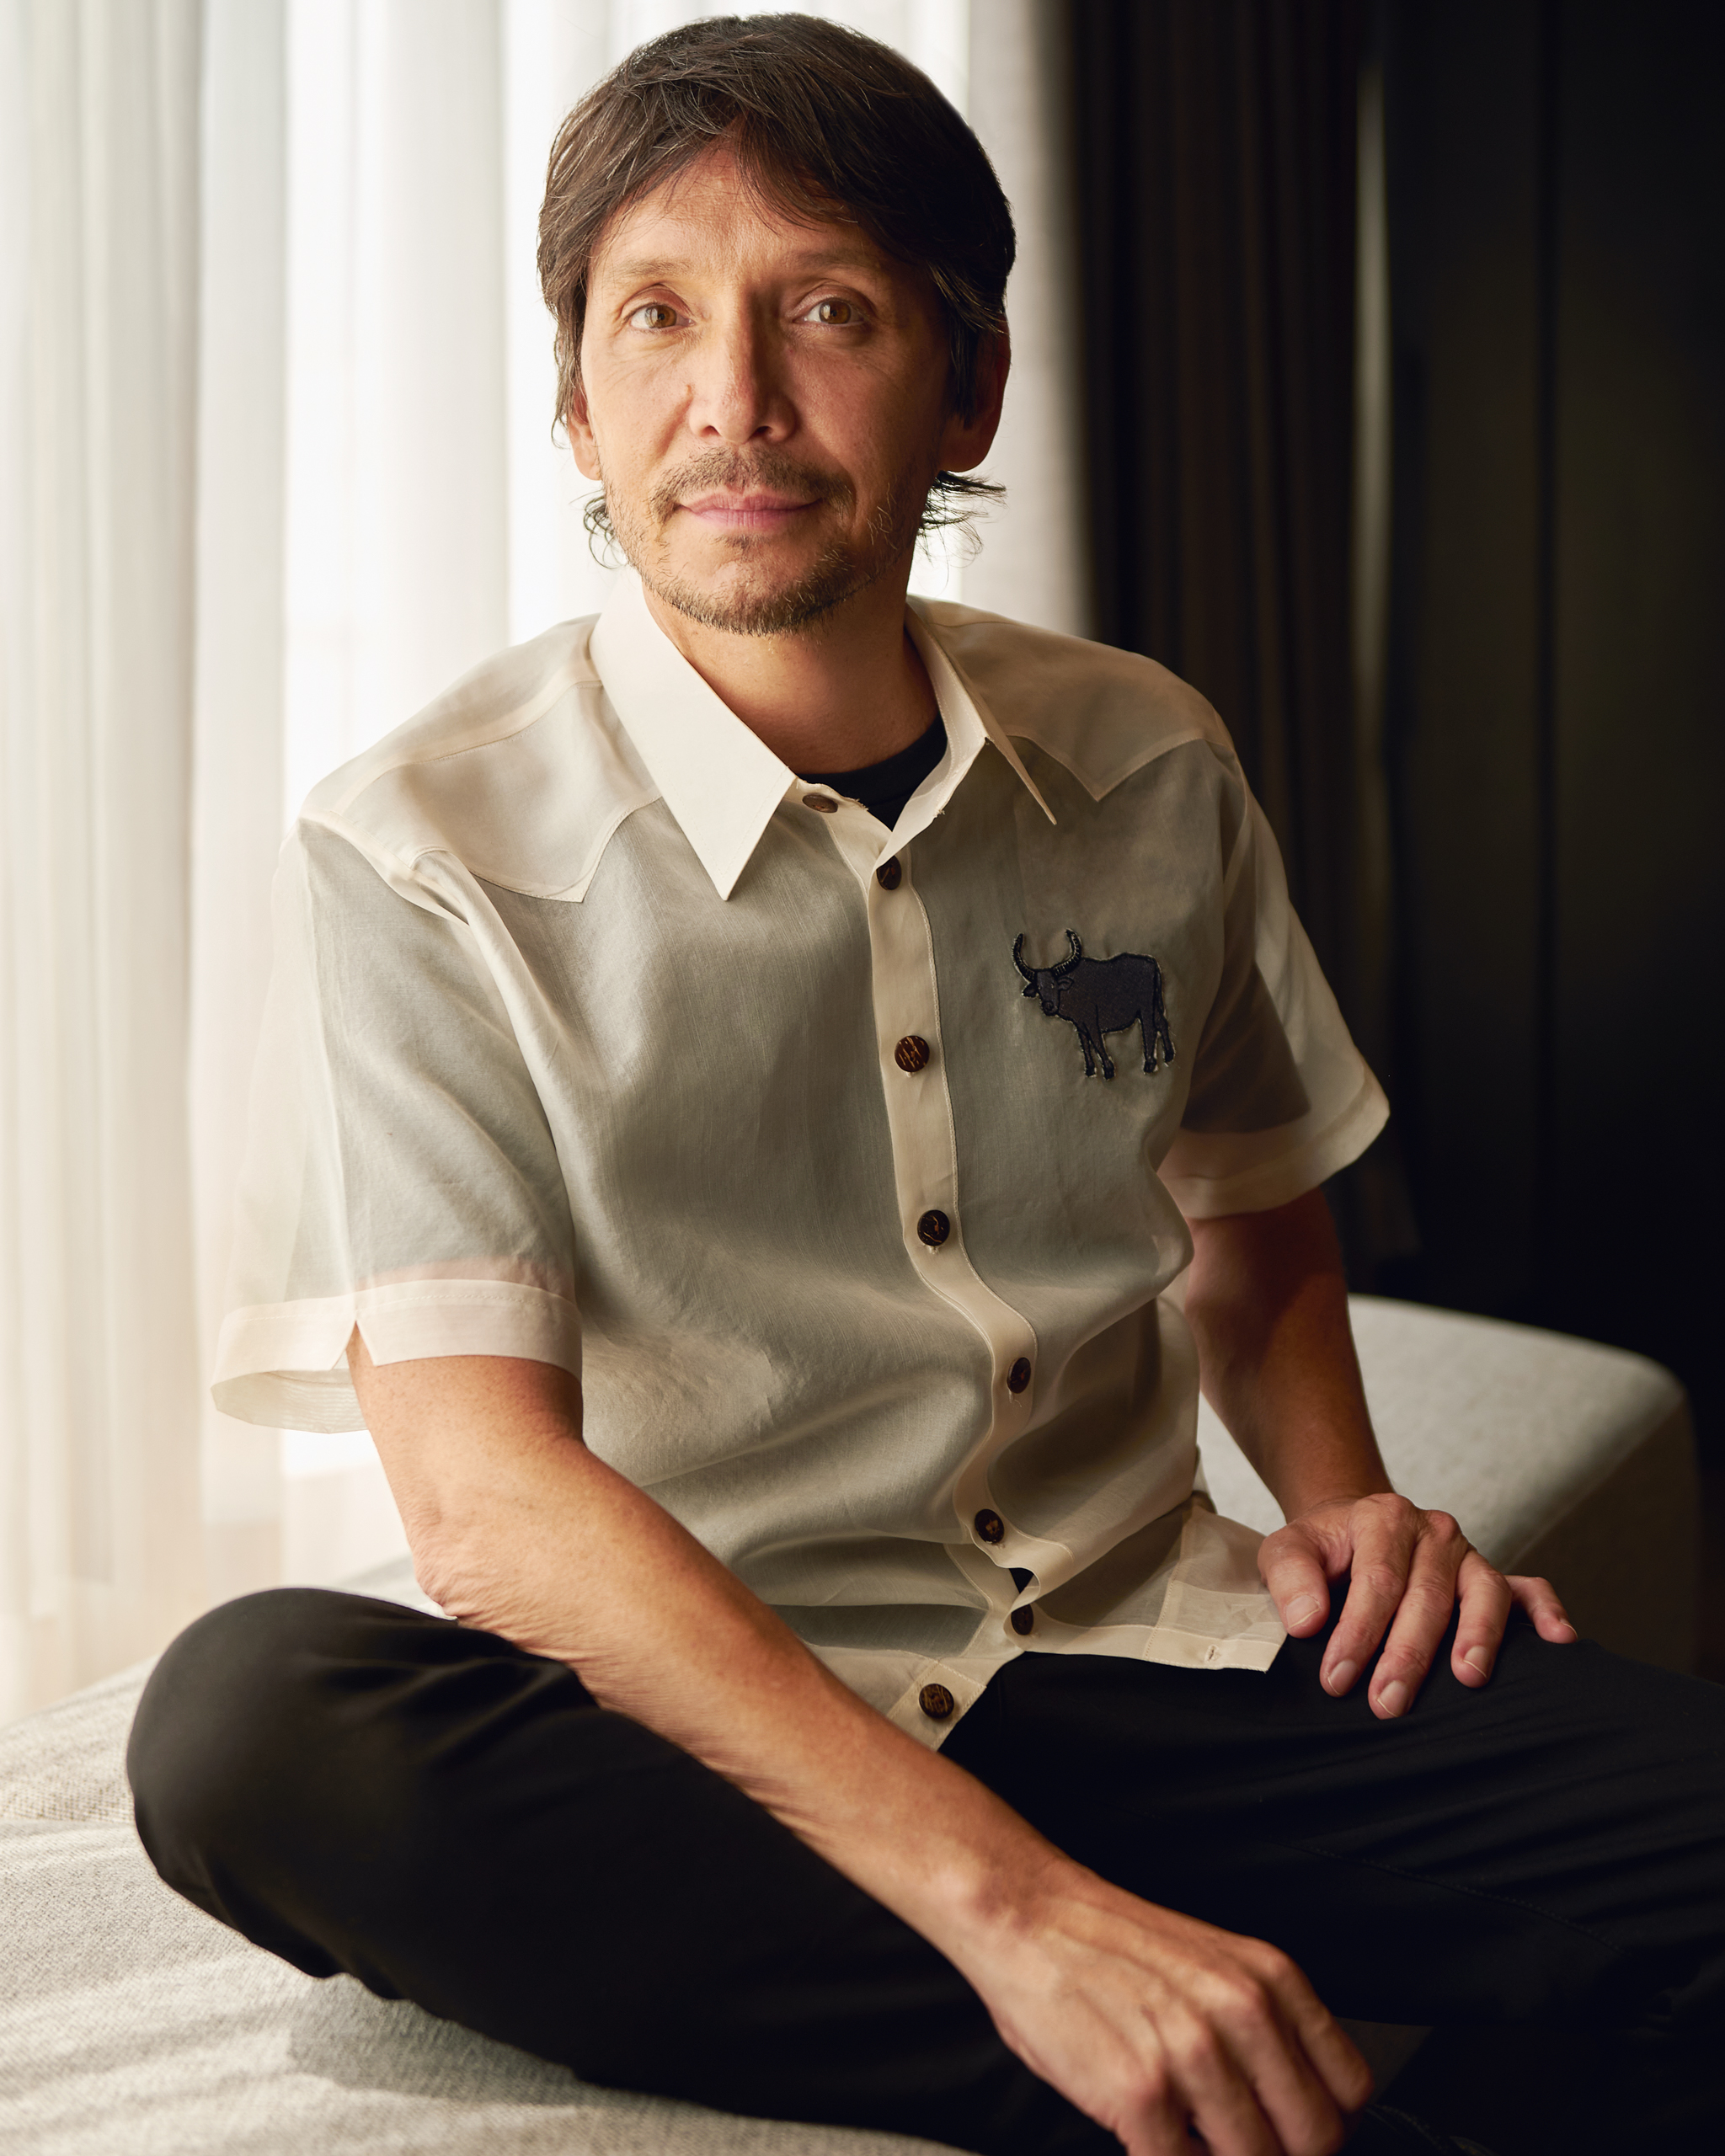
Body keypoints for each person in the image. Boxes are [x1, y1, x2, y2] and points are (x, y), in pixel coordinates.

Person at [126, 18, 1722, 2156]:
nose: (736, 404)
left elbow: (1251, 1219)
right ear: (577, 409)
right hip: (708, 1730)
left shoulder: (1148, 754)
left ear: (963, 384)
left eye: (828, 313)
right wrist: (1024, 1915)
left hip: (1141, 1643)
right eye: (657, 321)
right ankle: (1147, 2056)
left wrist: (1339, 1497)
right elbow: (486, 1503)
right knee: (250, 1722)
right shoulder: (418, 844)